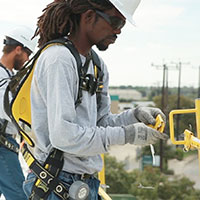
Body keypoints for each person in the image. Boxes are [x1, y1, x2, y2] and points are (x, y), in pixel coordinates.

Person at [23, 0, 168, 199]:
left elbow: (100, 124)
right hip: (57, 182)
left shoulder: (97, 65)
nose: (118, 32)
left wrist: (134, 116)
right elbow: (63, 135)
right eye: (116, 22)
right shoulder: (58, 59)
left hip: (86, 182)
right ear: (89, 16)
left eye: (122, 25)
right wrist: (127, 135)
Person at [0, 26, 36, 200]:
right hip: (2, 146)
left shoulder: (7, 76)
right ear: (18, 49)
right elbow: (10, 113)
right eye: (27, 54)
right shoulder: (2, 77)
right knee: (19, 196)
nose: (27, 59)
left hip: (5, 143)